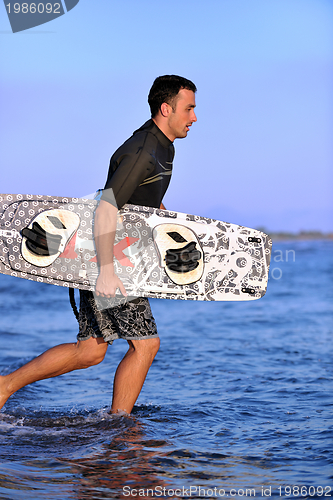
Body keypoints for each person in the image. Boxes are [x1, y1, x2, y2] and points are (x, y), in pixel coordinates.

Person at [0, 75, 197, 414]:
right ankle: (121, 432)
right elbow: (106, 206)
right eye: (189, 109)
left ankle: (4, 386)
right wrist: (106, 271)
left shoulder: (164, 147)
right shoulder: (142, 150)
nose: (193, 117)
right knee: (146, 345)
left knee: (90, 350)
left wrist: (156, 213)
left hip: (116, 254)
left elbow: (131, 200)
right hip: (111, 259)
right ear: (167, 109)